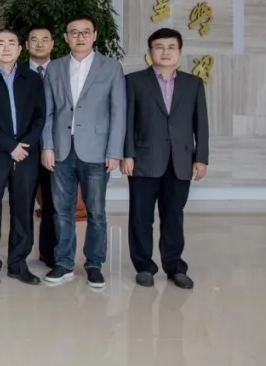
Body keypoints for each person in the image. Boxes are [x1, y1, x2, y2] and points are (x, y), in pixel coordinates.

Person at [41, 15, 126, 288]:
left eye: (85, 32)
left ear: (95, 36)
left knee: (96, 211)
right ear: (66, 37)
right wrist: (47, 145)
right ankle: (64, 262)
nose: (80, 37)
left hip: (97, 150)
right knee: (61, 211)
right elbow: (48, 112)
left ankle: (94, 263)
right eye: (74, 32)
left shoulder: (111, 68)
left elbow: (118, 112)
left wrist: (114, 150)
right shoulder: (54, 68)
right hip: (62, 149)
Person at [123, 28, 209, 290]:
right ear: (150, 52)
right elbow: (127, 122)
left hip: (180, 161)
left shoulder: (193, 84)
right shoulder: (134, 81)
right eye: (159, 47)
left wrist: (201, 158)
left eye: (171, 47)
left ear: (179, 52)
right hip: (144, 160)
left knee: (173, 216)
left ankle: (175, 267)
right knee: (141, 217)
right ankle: (144, 267)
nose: (165, 52)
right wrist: (127, 154)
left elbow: (201, 124)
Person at [0, 29, 46, 285]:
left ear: (20, 48)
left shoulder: (32, 79)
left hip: (25, 154)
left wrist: (24, 144)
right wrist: (10, 146)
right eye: (0, 43)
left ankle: (18, 264)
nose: (6, 47)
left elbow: (40, 116)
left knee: (23, 212)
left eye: (11, 43)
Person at [26, 25, 57, 268]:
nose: (39, 44)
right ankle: (20, 254)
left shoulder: (63, 71)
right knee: (23, 202)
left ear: (53, 44)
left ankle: (49, 252)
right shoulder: (16, 72)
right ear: (26, 45)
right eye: (34, 40)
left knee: (52, 202)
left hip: (55, 147)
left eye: (44, 39)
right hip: (23, 147)